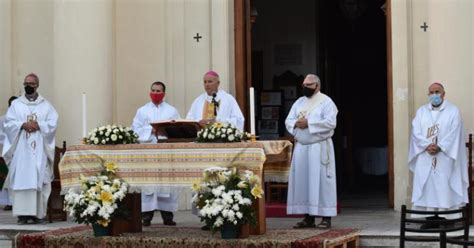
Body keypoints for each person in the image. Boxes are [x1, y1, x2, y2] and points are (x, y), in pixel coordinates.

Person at [408, 82, 468, 228]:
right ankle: (429, 219)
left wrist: (440, 147)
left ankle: (447, 219)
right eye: (432, 92)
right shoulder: (421, 111)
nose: (435, 95)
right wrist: (426, 145)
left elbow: (455, 131)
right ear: (428, 95)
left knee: (444, 186)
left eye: (437, 91)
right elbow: (416, 132)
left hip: (445, 156)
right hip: (426, 155)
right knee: (427, 186)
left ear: (443, 94)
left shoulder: (453, 111)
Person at [2, 73, 58, 224]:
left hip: (39, 149)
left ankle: (37, 214)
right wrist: (22, 124)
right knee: (21, 178)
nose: (28, 86)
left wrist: (39, 125)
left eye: (31, 84)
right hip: (22, 149)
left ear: (37, 85)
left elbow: (53, 123)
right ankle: (22, 214)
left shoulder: (46, 105)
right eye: (26, 83)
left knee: (38, 177)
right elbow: (8, 123)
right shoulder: (16, 105)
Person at [285, 74, 338, 229]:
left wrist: (309, 123)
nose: (305, 88)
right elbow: (288, 120)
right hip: (302, 147)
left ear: (317, 86)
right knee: (304, 182)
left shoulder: (326, 102)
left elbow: (330, 123)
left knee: (322, 182)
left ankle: (326, 218)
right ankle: (308, 217)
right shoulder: (299, 102)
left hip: (319, 147)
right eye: (304, 85)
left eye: (309, 85)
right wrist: (296, 123)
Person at [131, 81, 180, 226]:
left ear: (164, 93)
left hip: (165, 151)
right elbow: (134, 130)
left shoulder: (172, 111)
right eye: (153, 90)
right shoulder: (142, 111)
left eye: (159, 91)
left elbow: (178, 128)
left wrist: (166, 129)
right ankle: (146, 215)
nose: (155, 93)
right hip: (148, 152)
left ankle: (167, 215)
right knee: (148, 182)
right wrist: (150, 130)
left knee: (166, 183)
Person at [0, 96, 18, 211]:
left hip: (18, 151)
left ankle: (16, 202)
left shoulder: (22, 120)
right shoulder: (2, 119)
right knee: (6, 177)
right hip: (6, 152)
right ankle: (8, 202)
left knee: (16, 177)